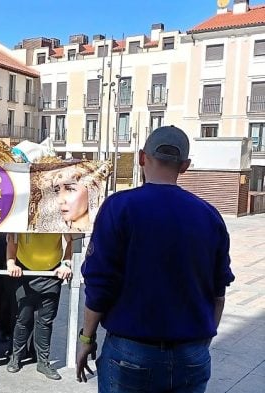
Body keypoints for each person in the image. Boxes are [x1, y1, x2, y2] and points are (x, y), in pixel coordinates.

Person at [76, 126, 236, 392]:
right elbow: (218, 293)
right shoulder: (210, 216)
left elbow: (100, 284)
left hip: (131, 354)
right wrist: (201, 341)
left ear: (141, 158)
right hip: (191, 355)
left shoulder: (119, 207)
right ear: (184, 166)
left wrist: (86, 338)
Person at [5, 233, 73, 380]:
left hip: (52, 273)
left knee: (45, 321)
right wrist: (11, 262)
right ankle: (16, 357)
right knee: (23, 318)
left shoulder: (59, 215)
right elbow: (13, 236)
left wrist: (66, 263)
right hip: (24, 272)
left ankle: (43, 361)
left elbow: (70, 239)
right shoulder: (24, 212)